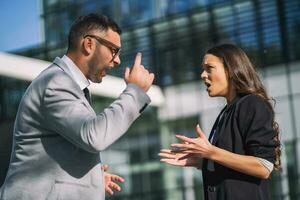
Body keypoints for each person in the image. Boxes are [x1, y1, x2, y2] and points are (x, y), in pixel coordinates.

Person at [0, 13, 154, 200]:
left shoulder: (67, 84)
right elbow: (93, 136)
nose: (117, 60)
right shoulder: (55, 83)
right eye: (114, 50)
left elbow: (63, 149)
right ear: (89, 44)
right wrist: (134, 92)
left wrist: (91, 180)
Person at [159, 44, 281, 200]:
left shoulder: (252, 103)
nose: (203, 74)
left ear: (231, 70)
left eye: (209, 68)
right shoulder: (227, 111)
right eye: (203, 69)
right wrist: (203, 161)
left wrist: (211, 153)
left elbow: (264, 166)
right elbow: (230, 160)